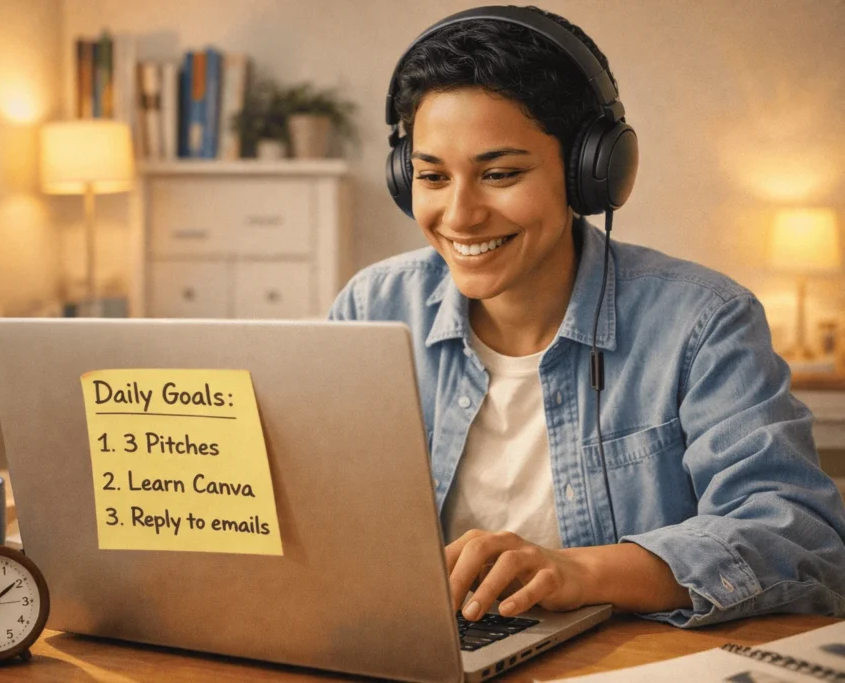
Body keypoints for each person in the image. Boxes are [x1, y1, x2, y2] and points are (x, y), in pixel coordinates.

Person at [328, 5, 845, 628]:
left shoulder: (703, 322)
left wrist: (578, 571)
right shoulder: (373, 309)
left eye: (499, 174)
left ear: (588, 172)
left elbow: (801, 537)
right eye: (432, 176)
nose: (460, 216)